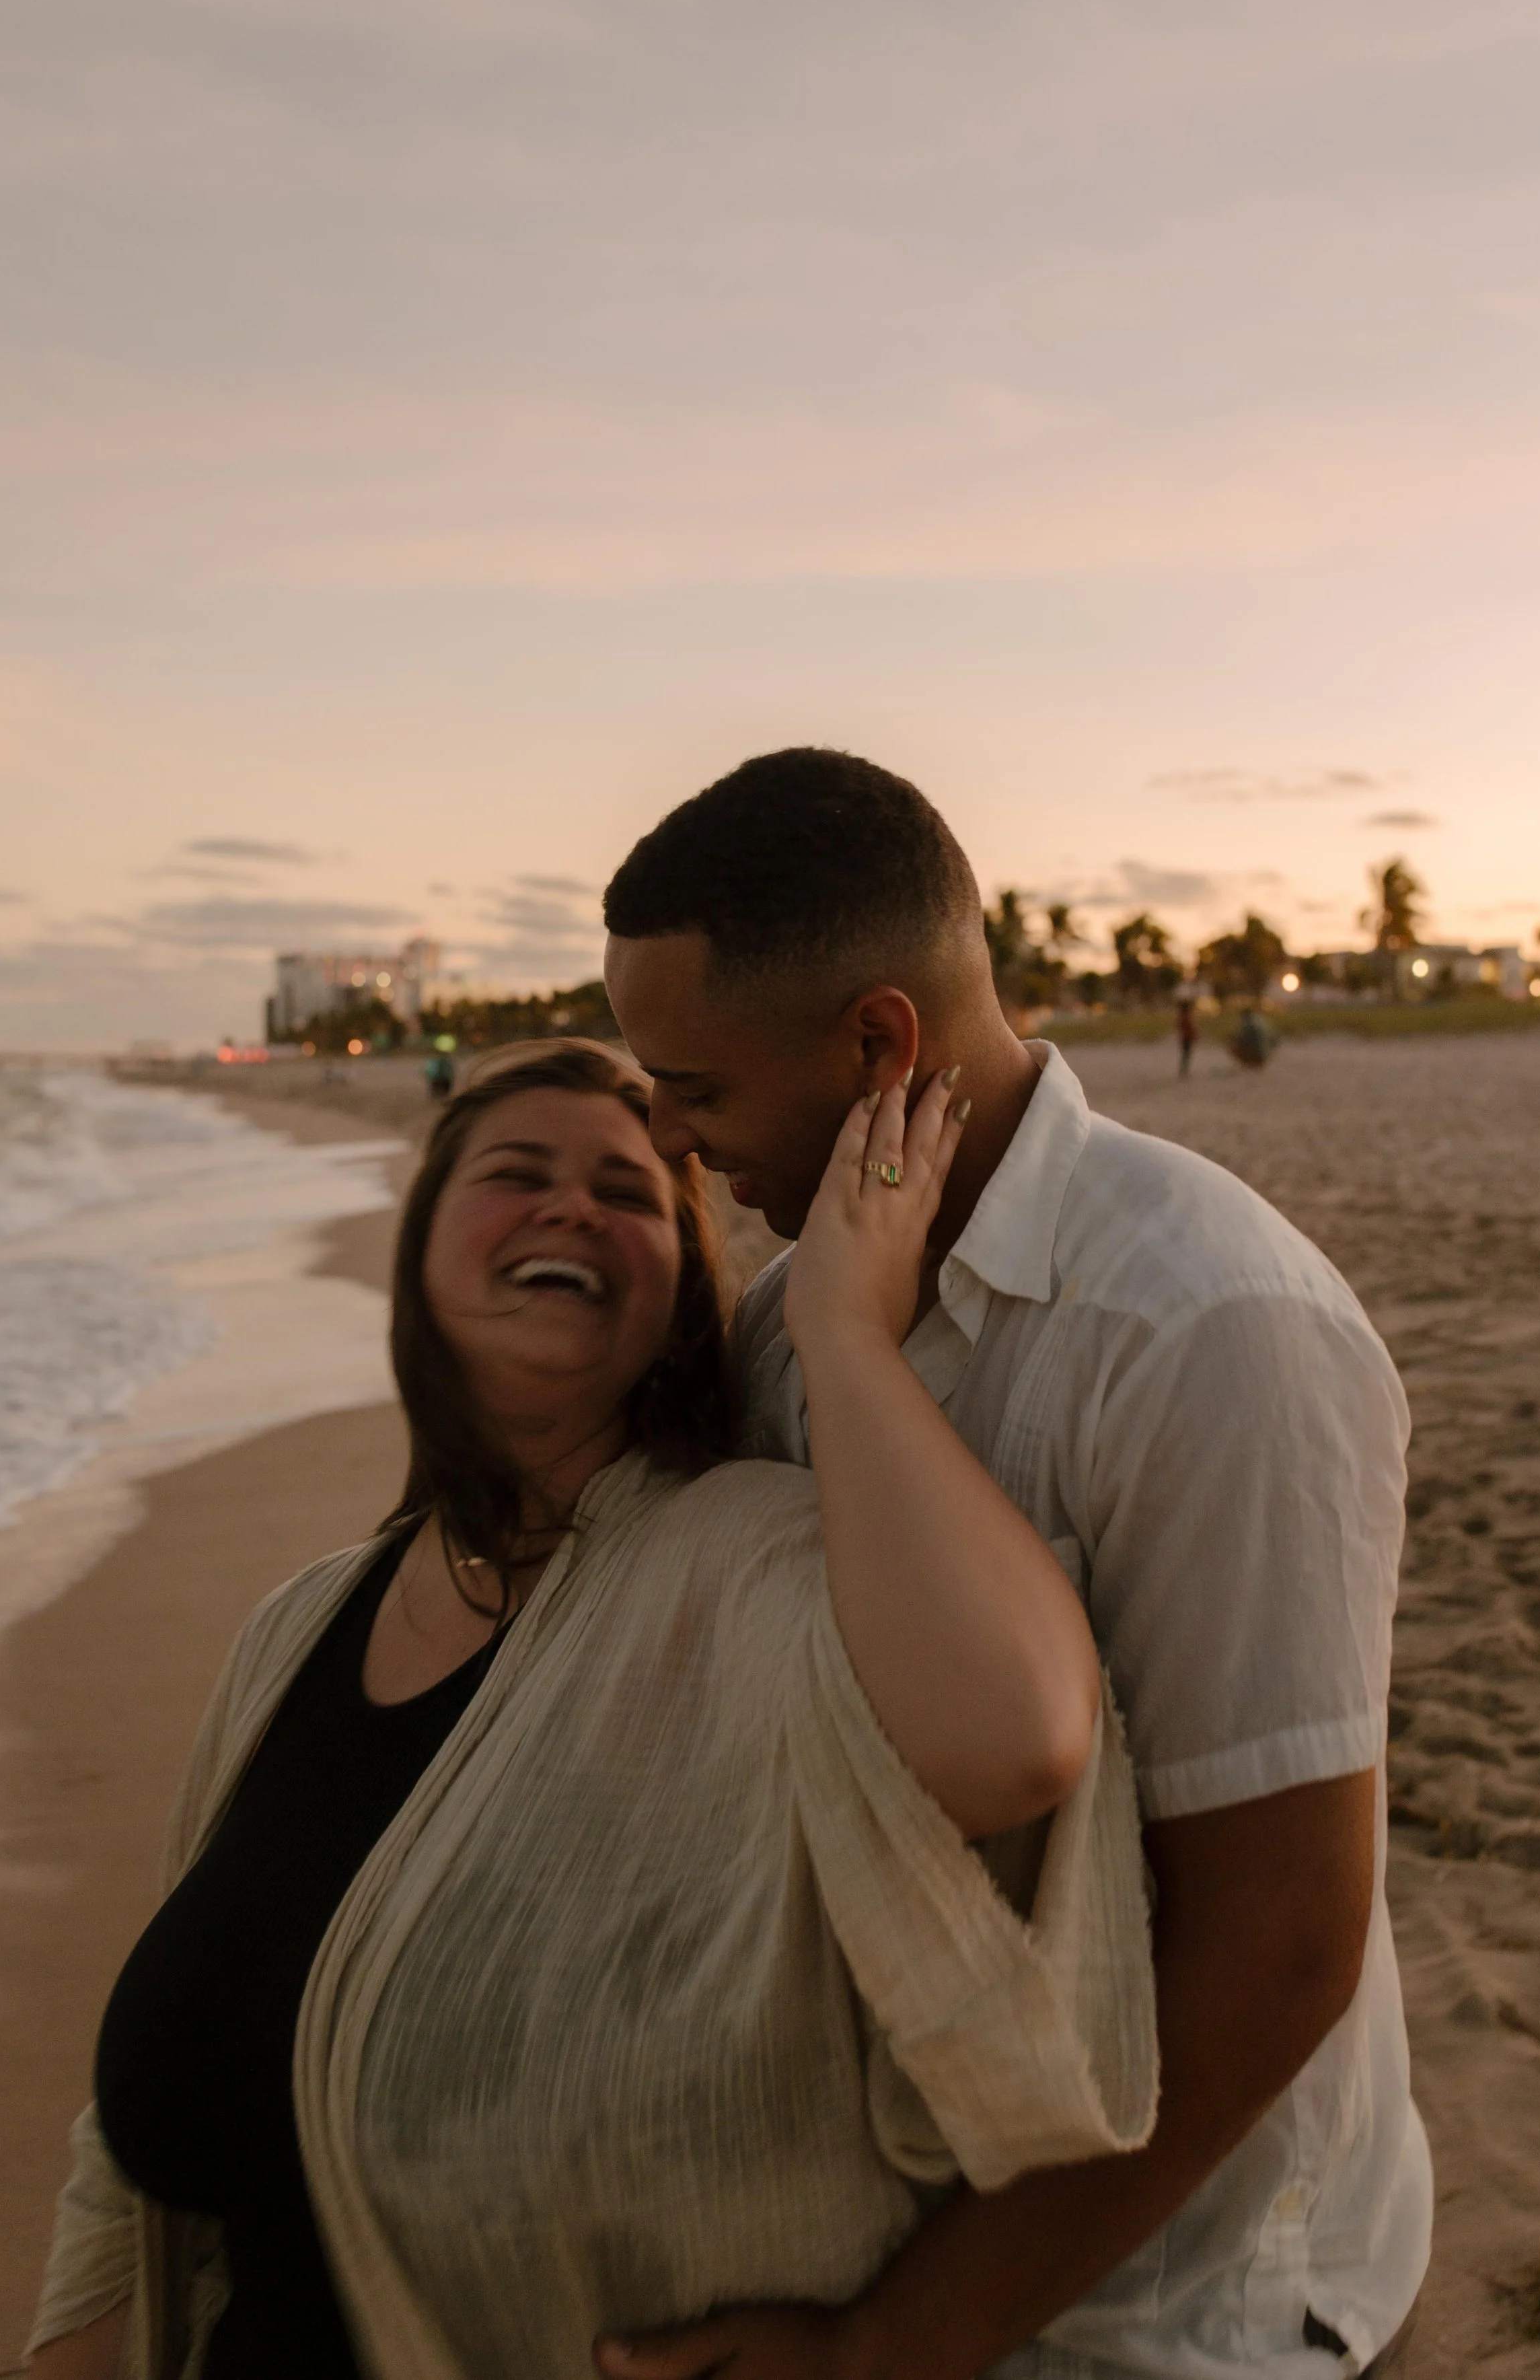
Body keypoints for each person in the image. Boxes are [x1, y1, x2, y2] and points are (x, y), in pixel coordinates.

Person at [28, 1040, 1156, 2380]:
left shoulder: (756, 1561)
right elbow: (135, 2149)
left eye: (627, 1195)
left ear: (676, 1297)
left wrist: (844, 1332)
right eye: (517, 1174)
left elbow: (1017, 1732)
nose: (570, 1206)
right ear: (419, 1260)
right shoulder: (297, 1630)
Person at [601, 748, 1428, 2380]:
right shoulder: (786, 1328)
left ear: (877, 1042)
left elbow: (1277, 1946)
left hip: (1188, 2310)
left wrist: (895, 2343)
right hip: (907, 2232)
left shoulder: (1206, 1329)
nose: (677, 1146)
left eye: (695, 1090)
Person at [1174, 993, 1198, 1080]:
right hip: (1186, 1038)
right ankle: (1184, 1072)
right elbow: (1190, 1027)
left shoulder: (1181, 1017)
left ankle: (1183, 1071)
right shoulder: (1186, 1017)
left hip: (1184, 1038)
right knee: (1186, 1055)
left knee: (1185, 1055)